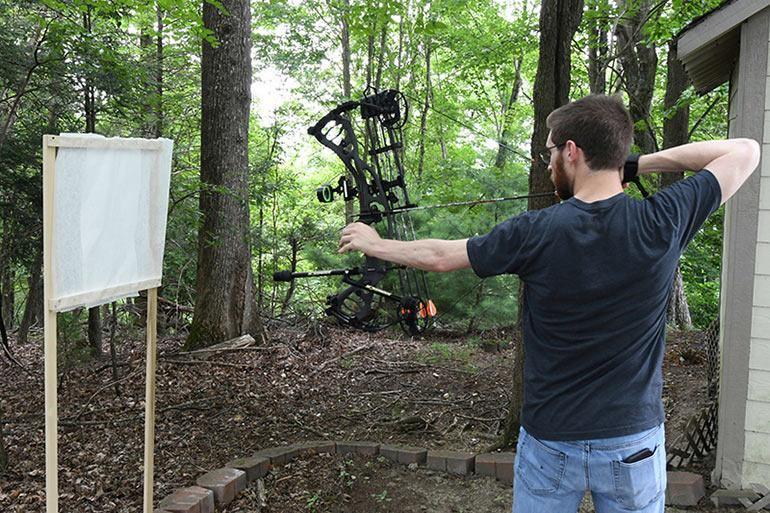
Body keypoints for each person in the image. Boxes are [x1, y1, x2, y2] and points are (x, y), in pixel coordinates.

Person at [337, 94, 760, 513]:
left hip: (552, 440)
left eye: (550, 152)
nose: (549, 162)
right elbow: (744, 151)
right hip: (632, 440)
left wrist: (377, 244)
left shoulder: (535, 230)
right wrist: (634, 163)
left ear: (572, 152)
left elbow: (442, 257)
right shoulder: (662, 220)